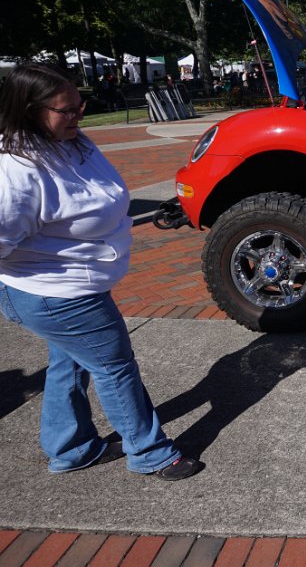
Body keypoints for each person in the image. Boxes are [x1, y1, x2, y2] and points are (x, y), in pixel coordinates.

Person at [0, 64, 200, 480]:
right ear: (30, 111)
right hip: (55, 294)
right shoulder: (16, 171)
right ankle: (149, 452)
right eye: (66, 110)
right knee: (115, 367)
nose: (78, 115)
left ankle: (70, 448)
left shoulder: (70, 140)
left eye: (80, 105)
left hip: (73, 286)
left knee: (70, 361)